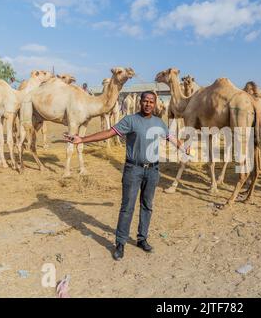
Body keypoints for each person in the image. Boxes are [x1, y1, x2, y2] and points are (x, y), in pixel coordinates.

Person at [64, 91, 188, 261]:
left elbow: (170, 137)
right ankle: (120, 243)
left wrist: (183, 147)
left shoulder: (159, 123)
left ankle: (142, 239)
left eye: (151, 101)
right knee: (127, 207)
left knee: (147, 206)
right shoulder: (130, 120)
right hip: (133, 170)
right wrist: (82, 139)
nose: (148, 104)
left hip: (152, 171)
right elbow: (109, 132)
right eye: (145, 101)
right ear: (140, 102)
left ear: (155, 104)